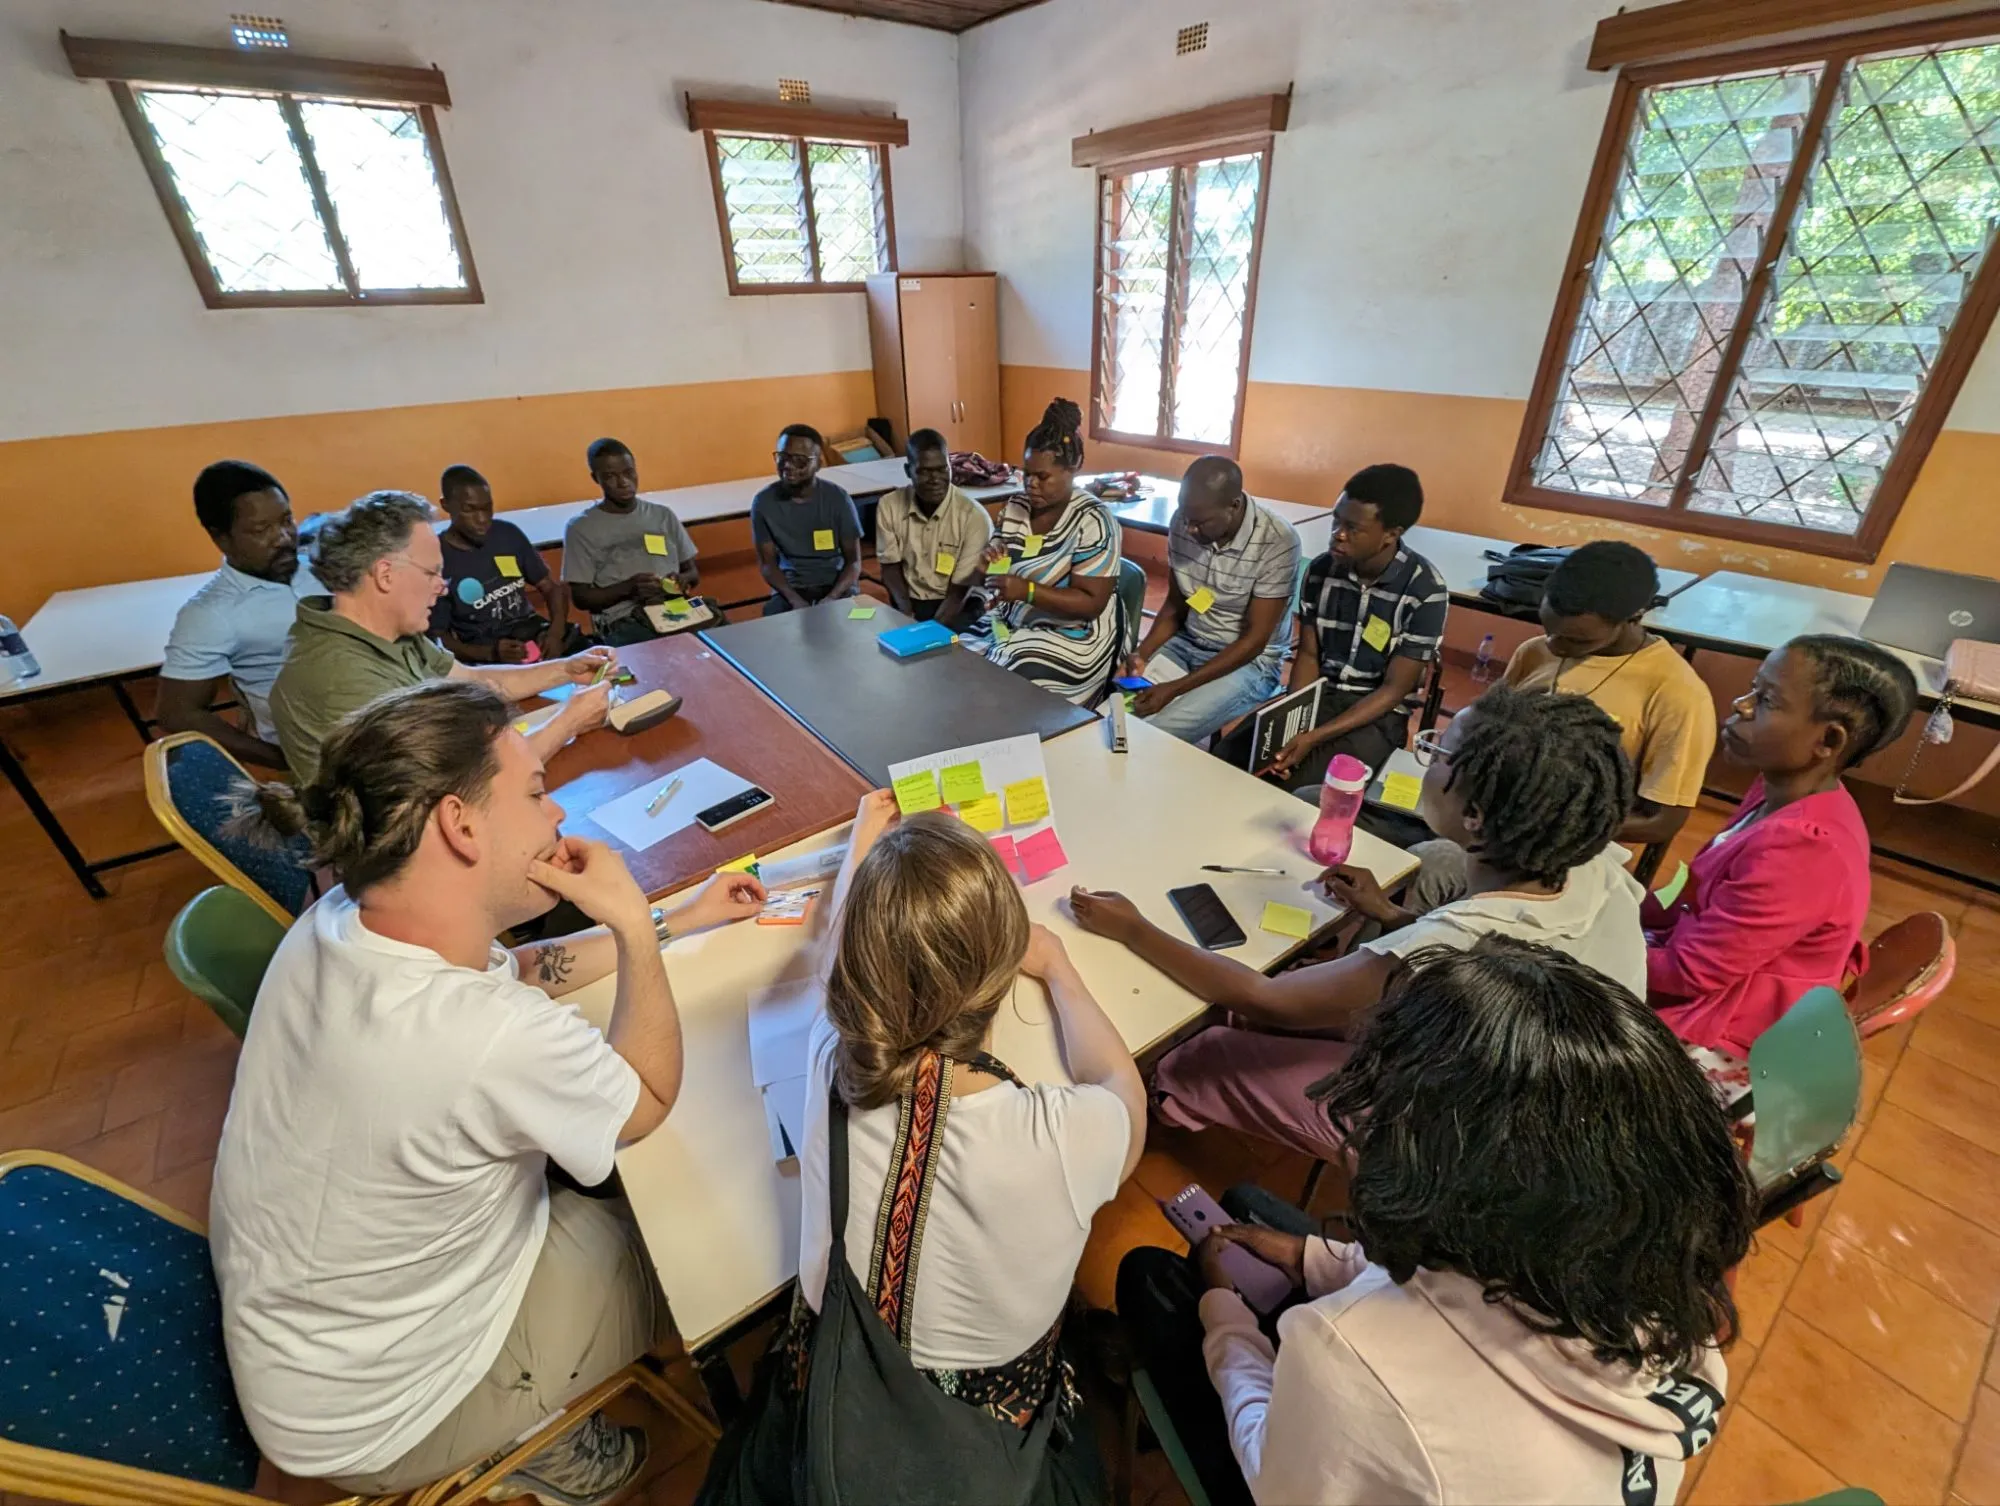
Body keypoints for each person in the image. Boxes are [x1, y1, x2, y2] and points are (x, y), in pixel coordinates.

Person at [211, 679, 768, 1500]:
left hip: (310, 1342)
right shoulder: (479, 1034)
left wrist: (674, 918)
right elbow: (644, 1097)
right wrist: (630, 931)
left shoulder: (339, 917)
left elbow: (526, 969)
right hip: (392, 1414)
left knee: (600, 1182)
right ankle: (535, 1437)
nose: (556, 819)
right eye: (538, 793)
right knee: (711, 1248)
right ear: (459, 825)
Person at [1117, 937, 1753, 1506]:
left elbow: (1267, 1471)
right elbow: (1469, 1304)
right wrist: (1312, 1257)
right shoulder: (1653, 1284)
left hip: (1310, 1465)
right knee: (1251, 1203)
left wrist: (1223, 1316)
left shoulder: (1351, 1361)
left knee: (1150, 1275)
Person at [700, 792, 1144, 1504]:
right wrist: (1059, 967)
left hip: (832, 1416)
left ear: (858, 975)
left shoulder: (828, 1058)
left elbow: (835, 956)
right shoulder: (1067, 1135)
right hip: (988, 1456)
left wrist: (863, 850)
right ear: (1002, 971)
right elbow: (1122, 1087)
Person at [1071, 687, 1642, 1161]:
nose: (1429, 756)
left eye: (1440, 752)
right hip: (1545, 1089)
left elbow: (1269, 998)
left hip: (1479, 1138)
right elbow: (1480, 947)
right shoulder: (1592, 865)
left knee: (1204, 1051)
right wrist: (1393, 916)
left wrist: (1134, 928)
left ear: (1475, 815)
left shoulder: (1453, 948)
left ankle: (1167, 1103)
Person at [1404, 540, 1718, 910]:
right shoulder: (1538, 652)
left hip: (1569, 852)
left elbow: (1663, 822)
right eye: (1549, 628)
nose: (1556, 644)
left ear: (1634, 617)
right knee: (1372, 820)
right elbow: (1485, 731)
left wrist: (1540, 824)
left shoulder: (1677, 694)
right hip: (1490, 818)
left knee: (1433, 864)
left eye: (1576, 639)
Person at [1647, 634, 1916, 1058]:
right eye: (1753, 688)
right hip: (1707, 974)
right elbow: (1695, 890)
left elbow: (1688, 973)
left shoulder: (1805, 847)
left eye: (1767, 701)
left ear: (1828, 741)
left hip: (1731, 1034)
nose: (1742, 705)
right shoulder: (1779, 791)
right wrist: (1627, 908)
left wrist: (1598, 951)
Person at [271, 490, 616, 784]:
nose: (442, 586)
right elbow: (457, 787)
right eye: (433, 572)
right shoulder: (338, 677)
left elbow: (474, 680)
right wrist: (569, 721)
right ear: (385, 575)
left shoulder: (391, 631)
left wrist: (566, 670)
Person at [1266, 464, 1447, 789]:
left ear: (1392, 534)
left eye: (1353, 528)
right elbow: (1308, 654)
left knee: (1299, 787)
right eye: (1336, 519)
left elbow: (1394, 690)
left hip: (1375, 713)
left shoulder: (1424, 590)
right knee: (1236, 759)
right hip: (1322, 696)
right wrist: (1293, 719)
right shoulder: (1321, 570)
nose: (1338, 533)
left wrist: (1313, 736)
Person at [1122, 457, 1301, 745]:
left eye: (1201, 522)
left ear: (1234, 505)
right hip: (1187, 643)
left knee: (1152, 735)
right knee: (1115, 711)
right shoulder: (1185, 522)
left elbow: (1254, 642)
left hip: (1250, 662)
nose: (1190, 530)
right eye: (1186, 519)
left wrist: (1175, 689)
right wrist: (1141, 655)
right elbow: (1175, 605)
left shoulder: (1277, 540)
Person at [158, 460, 319, 770]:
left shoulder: (323, 569)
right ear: (220, 538)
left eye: (287, 520)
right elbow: (177, 713)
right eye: (262, 530)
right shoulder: (210, 614)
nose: (284, 537)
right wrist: (282, 759)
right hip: (308, 740)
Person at [960, 399, 1122, 704]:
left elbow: (1091, 605)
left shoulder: (1095, 521)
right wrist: (985, 569)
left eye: (1042, 477)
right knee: (955, 659)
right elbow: (991, 573)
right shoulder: (1016, 507)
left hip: (1075, 637)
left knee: (1002, 670)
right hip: (1012, 622)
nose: (1030, 485)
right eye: (1026, 473)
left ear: (1072, 470)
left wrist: (1028, 590)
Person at [431, 464, 583, 665]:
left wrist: (555, 633)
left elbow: (550, 588)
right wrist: (490, 653)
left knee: (595, 661)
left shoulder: (507, 535)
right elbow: (439, 640)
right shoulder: (436, 559)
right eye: (470, 510)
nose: (482, 519)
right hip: (488, 655)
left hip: (533, 635)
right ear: (446, 505)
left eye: (487, 508)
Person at [561, 438, 705, 645]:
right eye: (611, 476)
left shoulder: (662, 515)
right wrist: (629, 588)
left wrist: (682, 580)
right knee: (659, 652)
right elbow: (581, 598)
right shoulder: (581, 528)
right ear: (596, 478)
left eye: (629, 472)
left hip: (675, 609)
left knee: (721, 643)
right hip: (624, 619)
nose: (623, 482)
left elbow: (692, 573)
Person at [875, 427, 993, 627]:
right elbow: (890, 568)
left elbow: (960, 589)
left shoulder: (974, 517)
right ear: (908, 471)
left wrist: (930, 630)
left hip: (959, 599)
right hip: (910, 597)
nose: (935, 480)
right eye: (924, 472)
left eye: (941, 469)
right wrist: (906, 614)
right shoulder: (889, 506)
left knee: (948, 650)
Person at [750, 424, 863, 614]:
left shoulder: (837, 498)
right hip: (791, 588)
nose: (787, 466)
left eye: (799, 460)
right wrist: (795, 600)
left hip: (837, 586)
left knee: (858, 627)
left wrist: (832, 598)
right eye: (782, 457)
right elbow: (767, 564)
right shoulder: (764, 502)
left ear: (818, 464)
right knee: (775, 626)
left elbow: (854, 562)